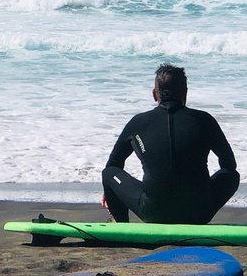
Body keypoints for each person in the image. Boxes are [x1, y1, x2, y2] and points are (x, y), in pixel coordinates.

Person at [101, 63, 239, 224]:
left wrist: (112, 192)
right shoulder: (205, 120)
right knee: (231, 176)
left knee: (109, 173)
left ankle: (121, 225)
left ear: (154, 94)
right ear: (185, 93)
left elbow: (113, 164)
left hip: (153, 212)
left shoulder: (138, 123)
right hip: (199, 212)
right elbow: (229, 165)